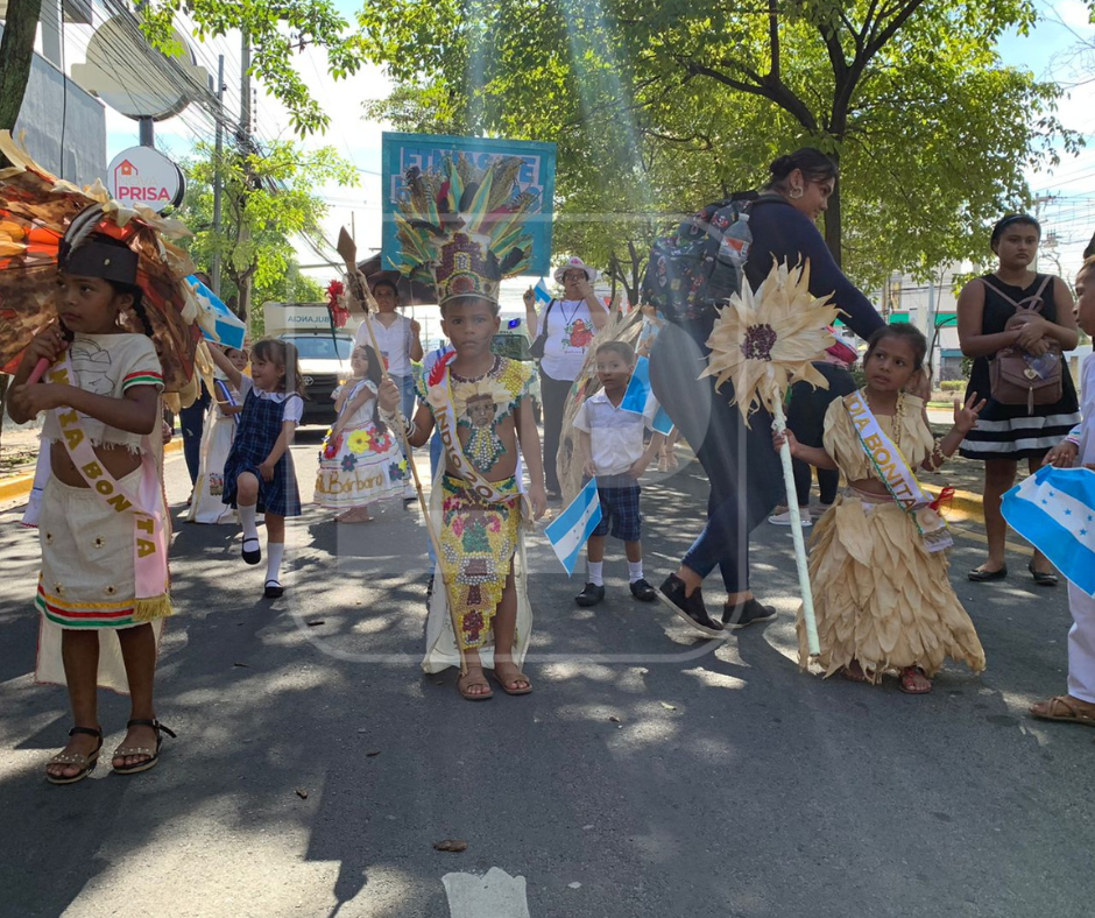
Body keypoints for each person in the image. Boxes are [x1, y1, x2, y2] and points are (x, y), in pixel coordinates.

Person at [649, 148, 886, 636]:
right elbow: (836, 288)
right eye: (823, 191)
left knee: (733, 482)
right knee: (762, 488)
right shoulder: (782, 218)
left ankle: (739, 599)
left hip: (681, 358)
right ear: (797, 180)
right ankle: (684, 580)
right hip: (709, 366)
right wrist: (894, 342)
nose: (823, 205)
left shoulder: (744, 216)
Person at [6, 235, 176, 782]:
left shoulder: (136, 351)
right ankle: (83, 728)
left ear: (122, 300)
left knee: (129, 619)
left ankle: (143, 719)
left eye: (86, 288)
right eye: (64, 287)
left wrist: (64, 395)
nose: (69, 299)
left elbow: (141, 417)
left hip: (119, 510)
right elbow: (18, 409)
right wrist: (33, 363)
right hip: (65, 509)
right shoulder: (53, 346)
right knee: (73, 619)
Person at [384, 152, 547, 700]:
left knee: (504, 587)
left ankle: (505, 659)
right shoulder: (437, 380)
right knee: (466, 583)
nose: (468, 328)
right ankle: (469, 664)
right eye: (457, 318)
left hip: (503, 498)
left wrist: (540, 486)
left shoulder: (518, 375)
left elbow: (528, 435)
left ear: (495, 322)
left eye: (479, 318)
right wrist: (393, 415)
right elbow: (420, 437)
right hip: (457, 498)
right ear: (445, 322)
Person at [775, 325, 987, 693]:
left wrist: (958, 432)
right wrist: (797, 450)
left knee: (906, 593)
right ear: (867, 358)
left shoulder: (913, 412)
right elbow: (834, 459)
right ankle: (858, 653)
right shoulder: (844, 408)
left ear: (913, 373)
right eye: (880, 356)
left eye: (899, 362)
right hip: (855, 513)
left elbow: (929, 463)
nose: (886, 366)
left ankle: (911, 661)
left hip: (901, 517)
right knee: (856, 590)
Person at [957, 214, 1080, 585]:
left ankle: (1042, 560)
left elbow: (1072, 338)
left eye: (1030, 240)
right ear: (996, 245)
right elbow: (968, 344)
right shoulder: (977, 288)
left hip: (1049, 396)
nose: (1022, 247)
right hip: (997, 394)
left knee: (1047, 475)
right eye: (1013, 239)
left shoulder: (1054, 285)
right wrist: (1016, 336)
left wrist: (1042, 328)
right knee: (997, 476)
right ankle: (995, 558)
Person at [1030, 255, 1095, 727]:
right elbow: (1088, 420)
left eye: (1083, 293)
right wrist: (1073, 441)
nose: (1074, 308)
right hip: (1088, 489)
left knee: (1088, 598)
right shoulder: (1091, 361)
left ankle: (1087, 696)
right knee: (1085, 596)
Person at [210, 338, 304, 599]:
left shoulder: (292, 399)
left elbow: (286, 433)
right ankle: (249, 531)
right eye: (253, 363)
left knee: (276, 520)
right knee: (247, 484)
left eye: (261, 364)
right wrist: (202, 342)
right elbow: (228, 368)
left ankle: (272, 576)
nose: (255, 369)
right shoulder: (249, 388)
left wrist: (270, 462)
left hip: (275, 459)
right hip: (247, 454)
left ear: (281, 370)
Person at [572, 340, 663, 606]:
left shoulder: (639, 402)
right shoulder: (592, 404)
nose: (606, 371)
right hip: (597, 480)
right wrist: (587, 459)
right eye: (601, 366)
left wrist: (647, 458)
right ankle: (595, 582)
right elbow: (583, 432)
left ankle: (637, 579)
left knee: (631, 532)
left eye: (614, 365)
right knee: (596, 533)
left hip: (626, 479)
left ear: (630, 368)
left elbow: (659, 429)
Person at [523, 256, 608, 499]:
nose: (574, 280)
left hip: (585, 377)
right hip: (552, 374)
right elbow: (536, 333)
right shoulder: (550, 306)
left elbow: (604, 325)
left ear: (587, 280)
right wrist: (530, 308)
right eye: (569, 276)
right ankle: (553, 483)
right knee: (554, 428)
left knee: (584, 428)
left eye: (579, 276)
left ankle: (583, 479)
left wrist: (588, 294)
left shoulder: (596, 303)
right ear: (562, 280)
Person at [768, 332, 858, 526]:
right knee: (828, 444)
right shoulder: (818, 327)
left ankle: (800, 510)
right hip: (844, 378)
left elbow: (782, 369)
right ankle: (826, 503)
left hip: (812, 377)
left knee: (796, 444)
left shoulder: (784, 326)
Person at [314, 344, 404, 523]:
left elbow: (354, 408)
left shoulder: (368, 385)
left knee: (359, 468)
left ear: (370, 364)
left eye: (364, 358)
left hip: (362, 433)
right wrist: (342, 396)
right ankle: (354, 508)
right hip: (346, 430)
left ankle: (361, 511)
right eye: (355, 356)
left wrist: (336, 429)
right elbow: (339, 408)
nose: (358, 360)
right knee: (350, 470)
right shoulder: (347, 383)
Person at [354, 277, 423, 500]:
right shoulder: (366, 326)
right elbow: (358, 357)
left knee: (402, 431)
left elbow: (416, 356)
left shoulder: (406, 324)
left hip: (401, 381)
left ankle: (404, 480)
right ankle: (376, 478)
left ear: (396, 299)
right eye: (379, 294)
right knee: (374, 430)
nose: (383, 298)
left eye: (388, 294)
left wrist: (417, 334)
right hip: (375, 383)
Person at [187, 345, 247, 524]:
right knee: (221, 465)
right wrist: (248, 407)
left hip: (240, 431)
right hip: (224, 431)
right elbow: (226, 408)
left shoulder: (248, 383)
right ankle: (219, 505)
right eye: (234, 357)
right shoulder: (219, 384)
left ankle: (241, 504)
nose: (239, 360)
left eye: (243, 357)